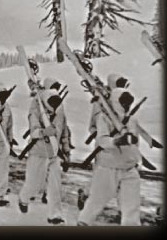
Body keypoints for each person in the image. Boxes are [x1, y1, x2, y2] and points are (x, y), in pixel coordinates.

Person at [77, 88, 142, 226]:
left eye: (128, 102)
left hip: (129, 167)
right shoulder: (104, 118)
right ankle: (83, 223)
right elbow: (102, 140)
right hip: (108, 167)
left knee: (131, 205)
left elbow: (136, 143)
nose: (126, 105)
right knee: (96, 201)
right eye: (123, 102)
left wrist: (137, 159)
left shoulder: (132, 120)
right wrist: (116, 141)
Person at [18, 88, 70, 225]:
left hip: (54, 154)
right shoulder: (36, 112)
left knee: (55, 186)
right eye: (52, 102)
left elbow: (64, 133)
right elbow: (33, 132)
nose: (54, 104)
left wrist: (66, 152)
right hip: (38, 153)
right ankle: (23, 198)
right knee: (34, 185)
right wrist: (44, 132)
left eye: (56, 102)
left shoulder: (60, 114)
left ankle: (55, 215)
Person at [78, 73, 129, 210]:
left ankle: (123, 209)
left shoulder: (123, 99)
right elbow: (93, 125)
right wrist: (101, 136)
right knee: (100, 180)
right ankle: (85, 194)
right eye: (119, 83)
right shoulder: (100, 102)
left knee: (123, 177)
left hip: (121, 145)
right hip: (104, 146)